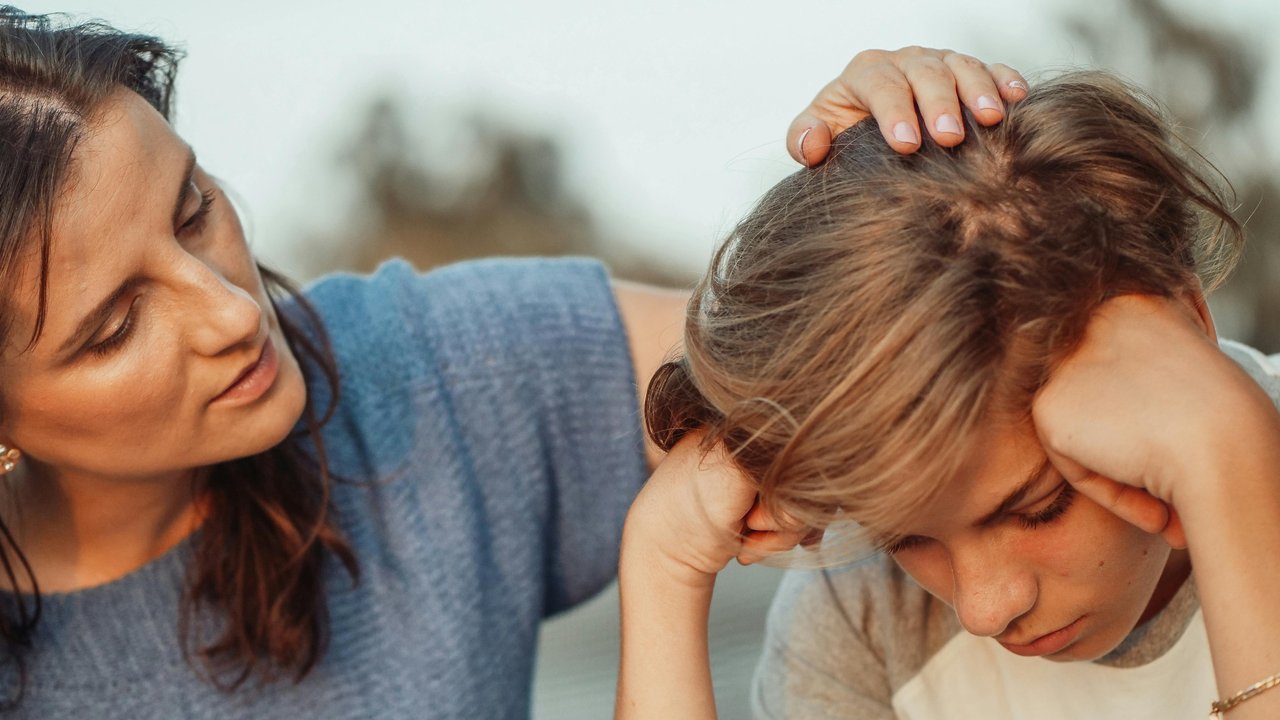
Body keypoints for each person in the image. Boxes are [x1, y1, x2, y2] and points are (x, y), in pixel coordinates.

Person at [0, 6, 1030, 718]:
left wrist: (920, 190)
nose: (230, 311)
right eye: (115, 326)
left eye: (195, 211)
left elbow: (873, 333)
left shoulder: (422, 374)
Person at [617, 71, 1280, 719]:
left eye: (1040, 508)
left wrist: (1228, 463)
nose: (985, 608)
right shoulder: (865, 618)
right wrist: (662, 567)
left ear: (1189, 329)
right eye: (905, 538)